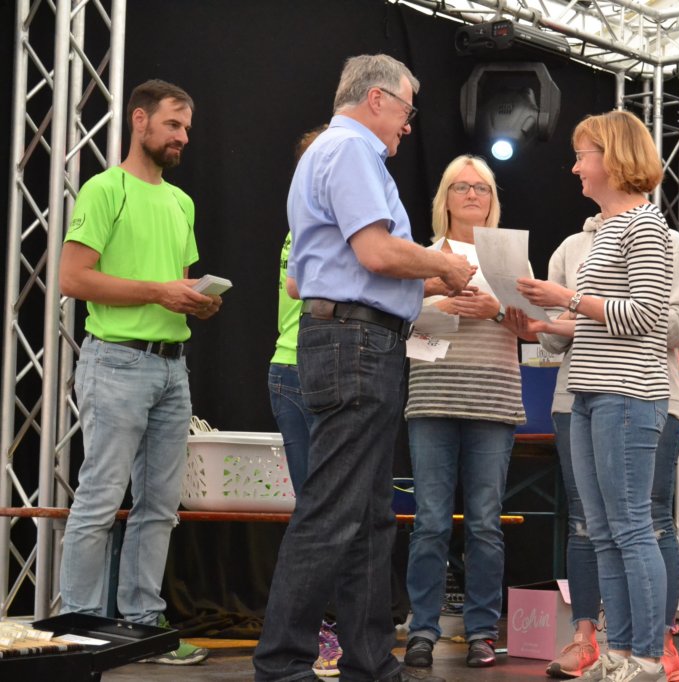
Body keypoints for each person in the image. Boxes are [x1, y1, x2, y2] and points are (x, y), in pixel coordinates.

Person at [252, 54, 474, 682]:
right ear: (377, 99)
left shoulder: (330, 153)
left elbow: (335, 272)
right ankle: (282, 665)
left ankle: (372, 664)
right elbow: (375, 253)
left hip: (354, 338)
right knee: (333, 509)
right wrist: (443, 264)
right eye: (406, 108)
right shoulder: (350, 151)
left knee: (370, 515)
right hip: (354, 344)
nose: (409, 124)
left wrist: (431, 282)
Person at [58, 79, 219, 665]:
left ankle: (142, 625)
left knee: (160, 508)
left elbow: (178, 283)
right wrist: (159, 291)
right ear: (139, 120)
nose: (183, 137)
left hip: (173, 368)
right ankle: (80, 631)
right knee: (99, 500)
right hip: (116, 361)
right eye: (173, 124)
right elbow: (73, 278)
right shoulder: (105, 189)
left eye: (187, 129)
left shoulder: (181, 202)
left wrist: (199, 301)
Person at [517, 110, 674, 682]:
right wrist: (540, 323)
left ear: (613, 158)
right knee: (604, 531)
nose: (575, 167)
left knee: (630, 525)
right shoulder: (606, 229)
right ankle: (619, 651)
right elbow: (599, 322)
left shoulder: (646, 227)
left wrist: (566, 298)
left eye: (583, 155)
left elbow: (647, 316)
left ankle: (648, 658)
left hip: (627, 394)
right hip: (586, 391)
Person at [528, 213, 679, 681]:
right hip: (576, 398)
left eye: (585, 167)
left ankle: (656, 645)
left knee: (650, 520)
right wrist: (534, 319)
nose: (577, 175)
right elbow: (549, 340)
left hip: (645, 393)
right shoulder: (571, 246)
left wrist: (590, 310)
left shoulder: (665, 240)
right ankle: (594, 642)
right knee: (588, 523)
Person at [403, 155, 531, 670]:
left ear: (492, 198)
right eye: (461, 187)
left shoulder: (511, 258)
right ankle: (422, 630)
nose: (472, 194)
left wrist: (494, 311)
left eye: (481, 187)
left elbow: (534, 329)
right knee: (430, 522)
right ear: (446, 199)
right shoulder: (422, 256)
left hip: (493, 401)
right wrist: (438, 307)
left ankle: (481, 632)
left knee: (484, 524)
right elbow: (392, 317)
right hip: (432, 399)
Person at [267, 125, 342, 678]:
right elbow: (304, 288)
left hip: (321, 371)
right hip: (298, 371)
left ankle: (327, 627)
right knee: (317, 510)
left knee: (333, 510)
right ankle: (310, 632)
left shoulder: (330, 223)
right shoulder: (311, 226)